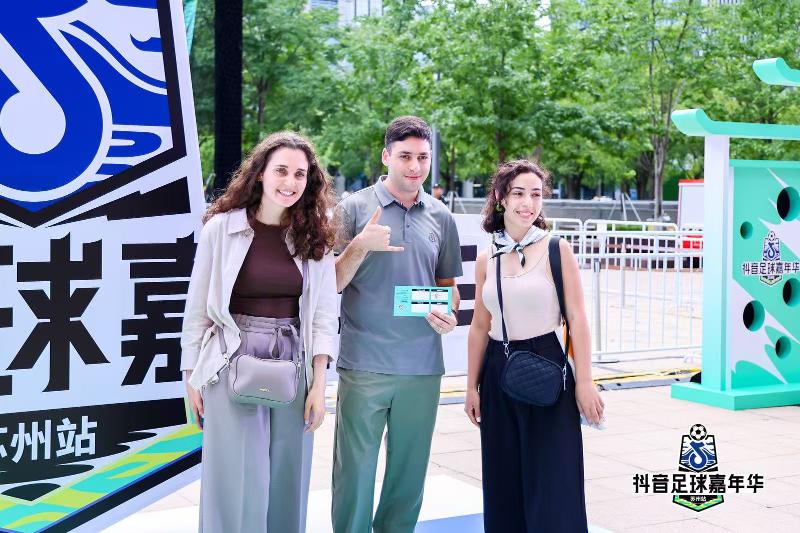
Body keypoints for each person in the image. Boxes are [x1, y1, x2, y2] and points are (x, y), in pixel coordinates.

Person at [180, 131, 339, 533]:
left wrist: (320, 385)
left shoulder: (315, 234)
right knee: (235, 479)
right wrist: (190, 375)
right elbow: (197, 308)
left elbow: (323, 316)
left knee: (289, 477)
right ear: (261, 173)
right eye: (281, 170)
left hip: (295, 359)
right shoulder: (221, 228)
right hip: (230, 356)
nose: (290, 182)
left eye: (300, 174)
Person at [331, 116, 463, 533]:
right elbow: (330, 282)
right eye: (405, 156)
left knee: (409, 475)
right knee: (354, 472)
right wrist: (359, 245)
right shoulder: (352, 209)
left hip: (423, 365)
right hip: (364, 363)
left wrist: (449, 313)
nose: (415, 166)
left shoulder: (442, 217)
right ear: (386, 156)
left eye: (423, 157)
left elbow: (448, 289)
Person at [464, 159, 604, 532]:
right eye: (519, 193)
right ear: (500, 198)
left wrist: (585, 381)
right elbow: (480, 327)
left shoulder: (556, 249)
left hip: (548, 365)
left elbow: (577, 319)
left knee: (553, 478)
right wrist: (471, 387)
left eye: (536, 194)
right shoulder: (487, 257)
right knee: (503, 478)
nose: (528, 203)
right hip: (498, 369)